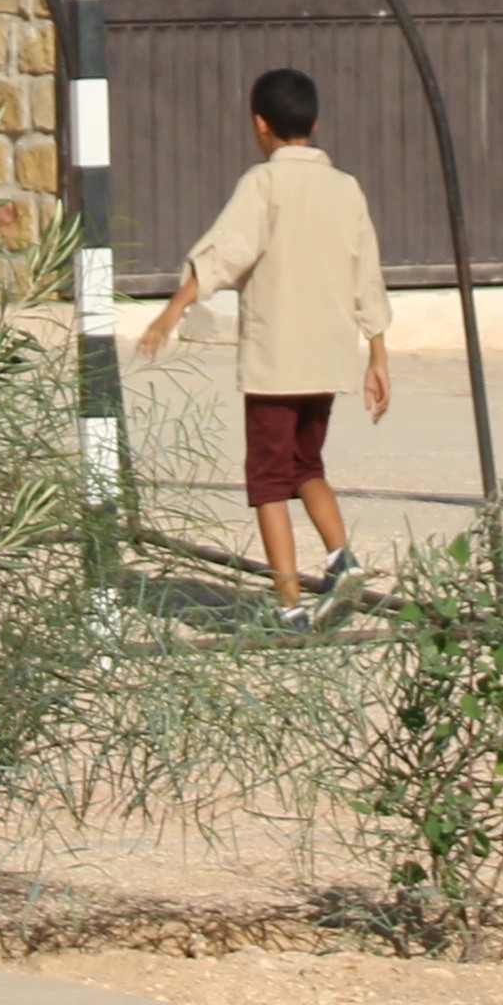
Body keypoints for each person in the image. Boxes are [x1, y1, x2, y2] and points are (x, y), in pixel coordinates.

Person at [134, 66, 393, 625]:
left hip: (277, 361)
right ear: (314, 122)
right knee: (307, 465)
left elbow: (227, 251)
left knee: (268, 481)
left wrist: (175, 306)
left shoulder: (264, 183)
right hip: (327, 356)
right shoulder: (346, 188)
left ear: (260, 125)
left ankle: (289, 605)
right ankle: (340, 557)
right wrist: (377, 355)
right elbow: (366, 272)